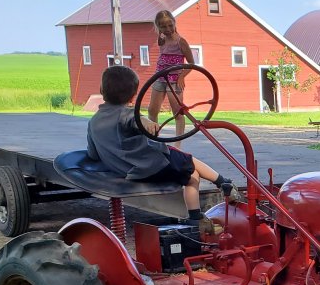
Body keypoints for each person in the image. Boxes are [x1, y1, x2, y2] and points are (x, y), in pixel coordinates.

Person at [87, 65, 232, 237]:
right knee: (189, 164)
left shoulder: (93, 122)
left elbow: (93, 154)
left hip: (126, 171)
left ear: (101, 90)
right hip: (150, 166)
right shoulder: (126, 114)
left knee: (189, 170)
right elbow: (135, 119)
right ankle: (224, 184)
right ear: (134, 95)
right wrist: (146, 122)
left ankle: (198, 216)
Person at [150, 10, 193, 143]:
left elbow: (191, 64)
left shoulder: (181, 42)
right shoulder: (161, 40)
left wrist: (181, 77)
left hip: (174, 81)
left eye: (170, 25)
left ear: (174, 24)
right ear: (158, 27)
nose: (168, 29)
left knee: (177, 112)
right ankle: (154, 139)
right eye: (163, 26)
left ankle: (178, 143)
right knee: (152, 110)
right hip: (160, 78)